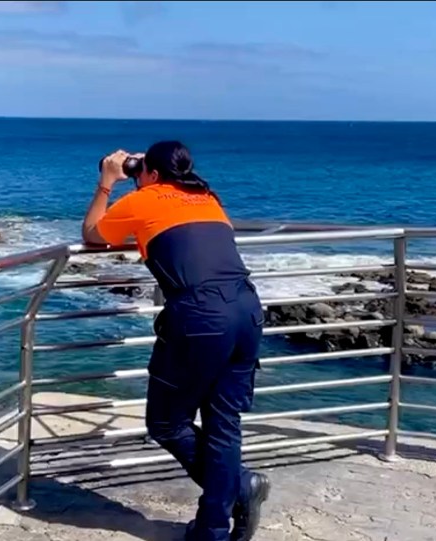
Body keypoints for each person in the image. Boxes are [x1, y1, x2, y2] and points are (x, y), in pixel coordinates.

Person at [81, 141, 270, 541]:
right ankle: (212, 529)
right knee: (223, 425)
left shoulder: (143, 199)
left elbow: (94, 236)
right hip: (247, 309)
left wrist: (107, 182)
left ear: (148, 173)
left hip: (201, 317)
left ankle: (239, 488)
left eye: (140, 169)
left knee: (167, 423)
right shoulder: (206, 196)